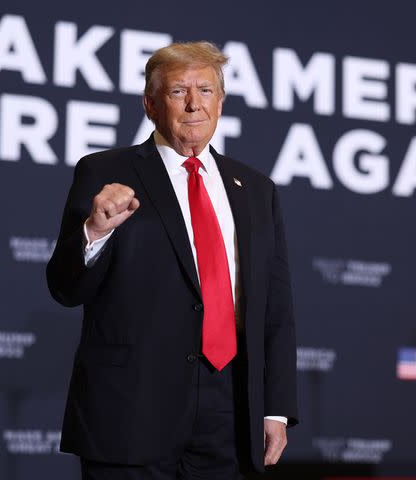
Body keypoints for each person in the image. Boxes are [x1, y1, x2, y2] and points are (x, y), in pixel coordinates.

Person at [46, 41, 298, 480]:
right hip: (132, 411)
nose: (194, 103)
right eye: (179, 91)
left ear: (221, 102)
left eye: (205, 90)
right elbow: (66, 287)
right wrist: (96, 231)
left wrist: (275, 408)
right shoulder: (105, 171)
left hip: (231, 414)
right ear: (150, 104)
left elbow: (275, 307)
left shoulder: (257, 189)